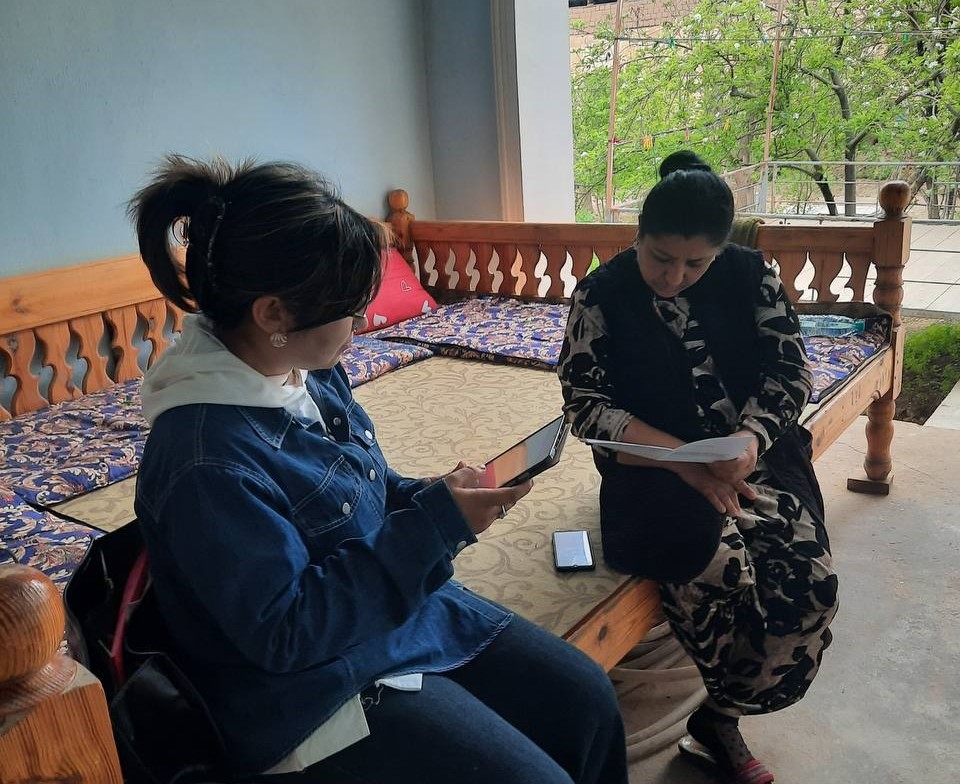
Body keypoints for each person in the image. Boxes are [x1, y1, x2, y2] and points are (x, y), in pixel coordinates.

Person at [129, 155, 628, 784]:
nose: (364, 322)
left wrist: (433, 496)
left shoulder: (304, 370)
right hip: (309, 687)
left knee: (587, 703)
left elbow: (359, 487)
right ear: (273, 314)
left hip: (385, 611)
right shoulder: (206, 462)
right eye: (350, 307)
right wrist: (434, 527)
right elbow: (287, 633)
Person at [557, 151, 838, 784]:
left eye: (696, 263)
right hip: (651, 464)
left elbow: (791, 371)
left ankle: (719, 715)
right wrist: (682, 462)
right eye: (660, 258)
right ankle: (726, 720)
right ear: (638, 235)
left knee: (811, 587)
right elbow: (585, 406)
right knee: (716, 574)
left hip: (750, 454)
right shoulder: (601, 294)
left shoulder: (751, 276)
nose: (674, 276)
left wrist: (751, 438)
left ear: (718, 251)